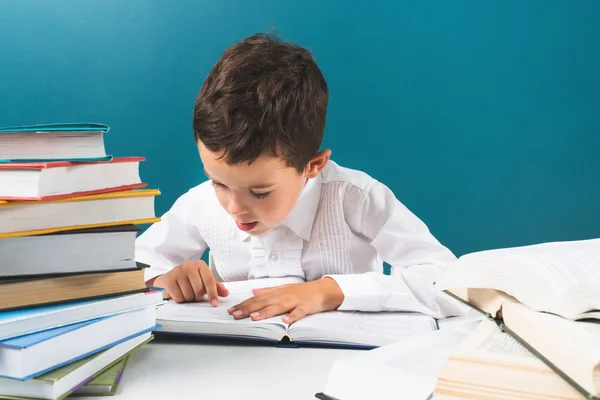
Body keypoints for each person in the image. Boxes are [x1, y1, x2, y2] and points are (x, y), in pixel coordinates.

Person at [135, 32, 464, 324]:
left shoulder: (355, 198)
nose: (234, 207)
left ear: (313, 165)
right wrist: (164, 279)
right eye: (219, 183)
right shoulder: (200, 203)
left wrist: (328, 291)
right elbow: (128, 269)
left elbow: (452, 282)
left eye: (260, 192)